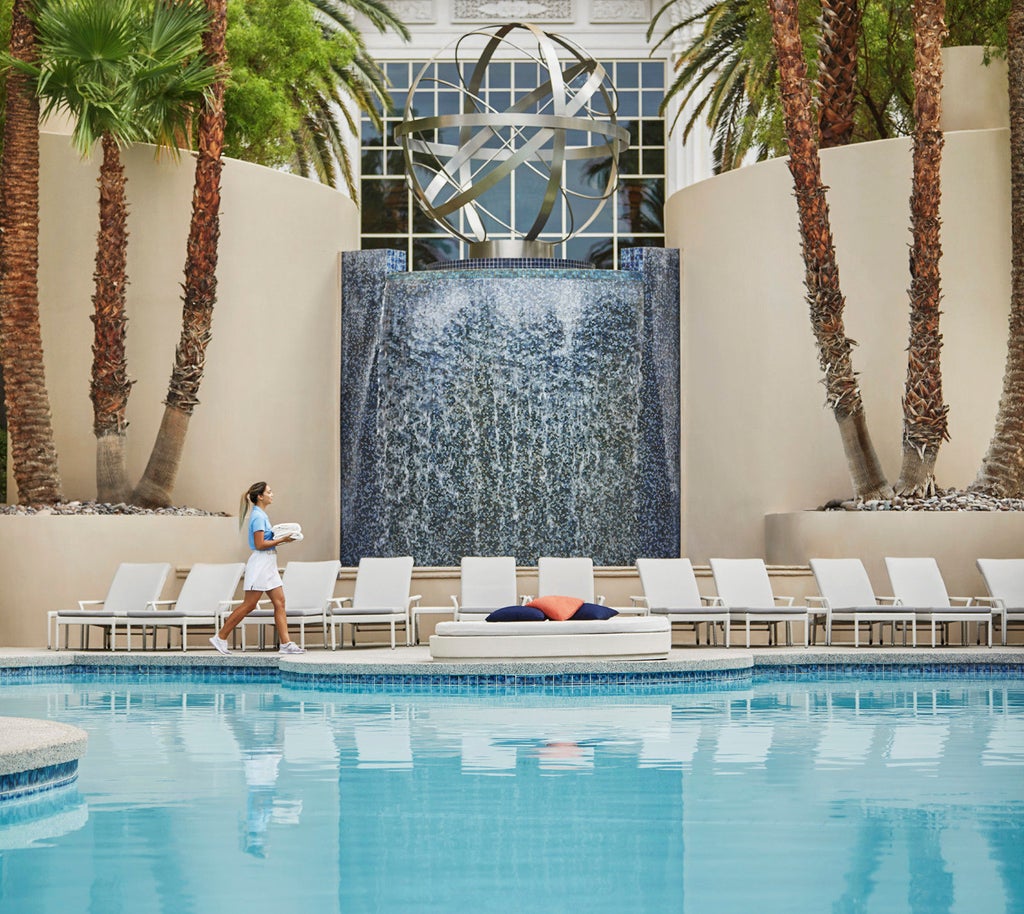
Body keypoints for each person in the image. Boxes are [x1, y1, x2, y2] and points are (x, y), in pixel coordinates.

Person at [210, 481, 304, 655]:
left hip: (269, 563)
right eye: (269, 492)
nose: (272, 494)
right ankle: (220, 637)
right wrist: (283, 540)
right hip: (260, 563)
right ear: (260, 496)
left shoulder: (261, 515)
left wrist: (281, 536)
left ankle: (286, 644)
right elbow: (260, 544)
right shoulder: (258, 516)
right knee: (250, 604)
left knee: (280, 602)